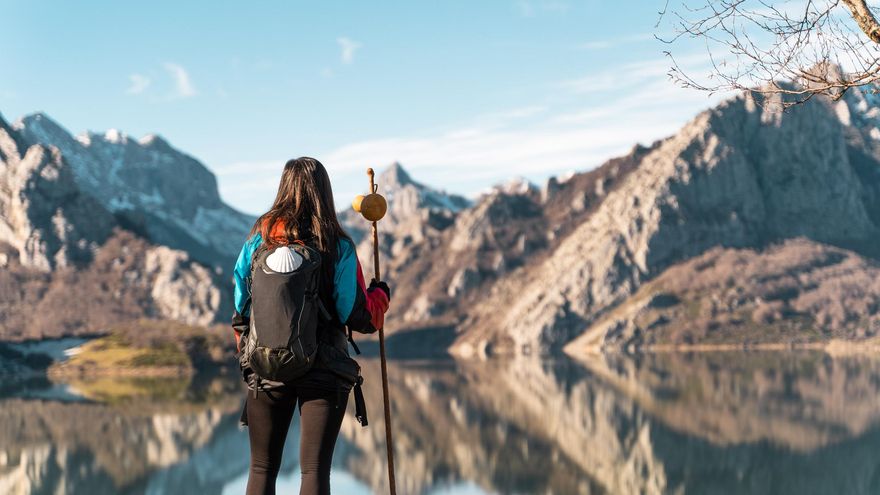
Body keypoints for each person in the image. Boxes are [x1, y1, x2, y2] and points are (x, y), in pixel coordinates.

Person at [231, 157, 391, 495]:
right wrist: (380, 296)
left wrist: (251, 353)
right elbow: (355, 315)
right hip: (324, 368)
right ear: (324, 192)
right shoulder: (338, 245)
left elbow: (239, 304)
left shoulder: (257, 241)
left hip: (266, 366)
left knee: (261, 469)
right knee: (315, 472)